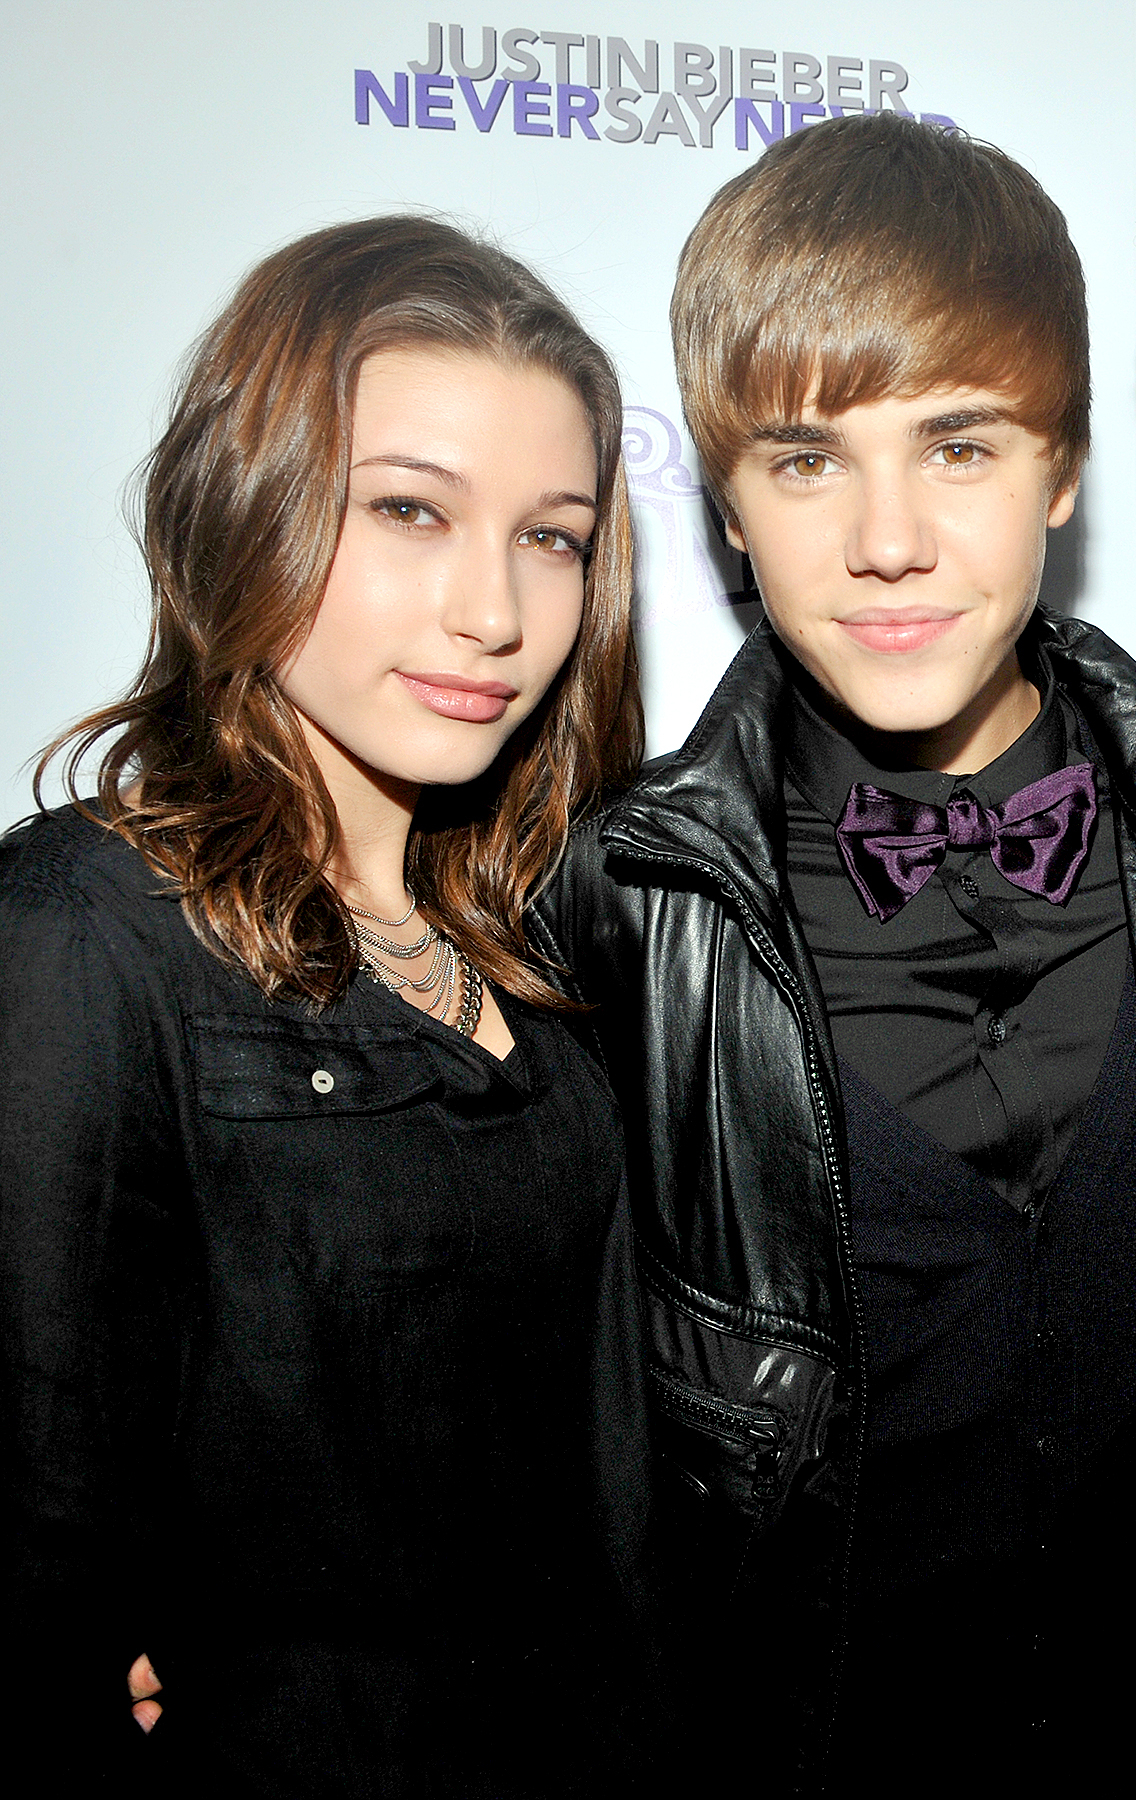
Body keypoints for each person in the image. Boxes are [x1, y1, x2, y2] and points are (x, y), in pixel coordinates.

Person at [530, 112, 1136, 1795]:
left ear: (1063, 469)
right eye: (809, 460)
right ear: (726, 502)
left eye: (957, 447)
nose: (886, 539)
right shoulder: (624, 903)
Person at [1, 215, 650, 1793]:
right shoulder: (86, 934)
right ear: (252, 506)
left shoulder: (552, 935)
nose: (490, 612)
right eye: (408, 512)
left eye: (550, 535)